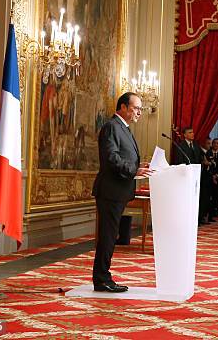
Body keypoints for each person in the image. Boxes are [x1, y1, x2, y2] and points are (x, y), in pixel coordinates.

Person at [92, 92, 152, 293]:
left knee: (111, 235)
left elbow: (121, 157)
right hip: (110, 190)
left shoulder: (122, 128)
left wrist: (138, 165)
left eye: (140, 109)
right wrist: (134, 170)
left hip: (118, 190)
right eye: (136, 108)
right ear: (123, 107)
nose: (139, 113)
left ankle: (103, 277)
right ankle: (101, 279)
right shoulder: (112, 127)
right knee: (108, 236)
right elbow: (111, 158)